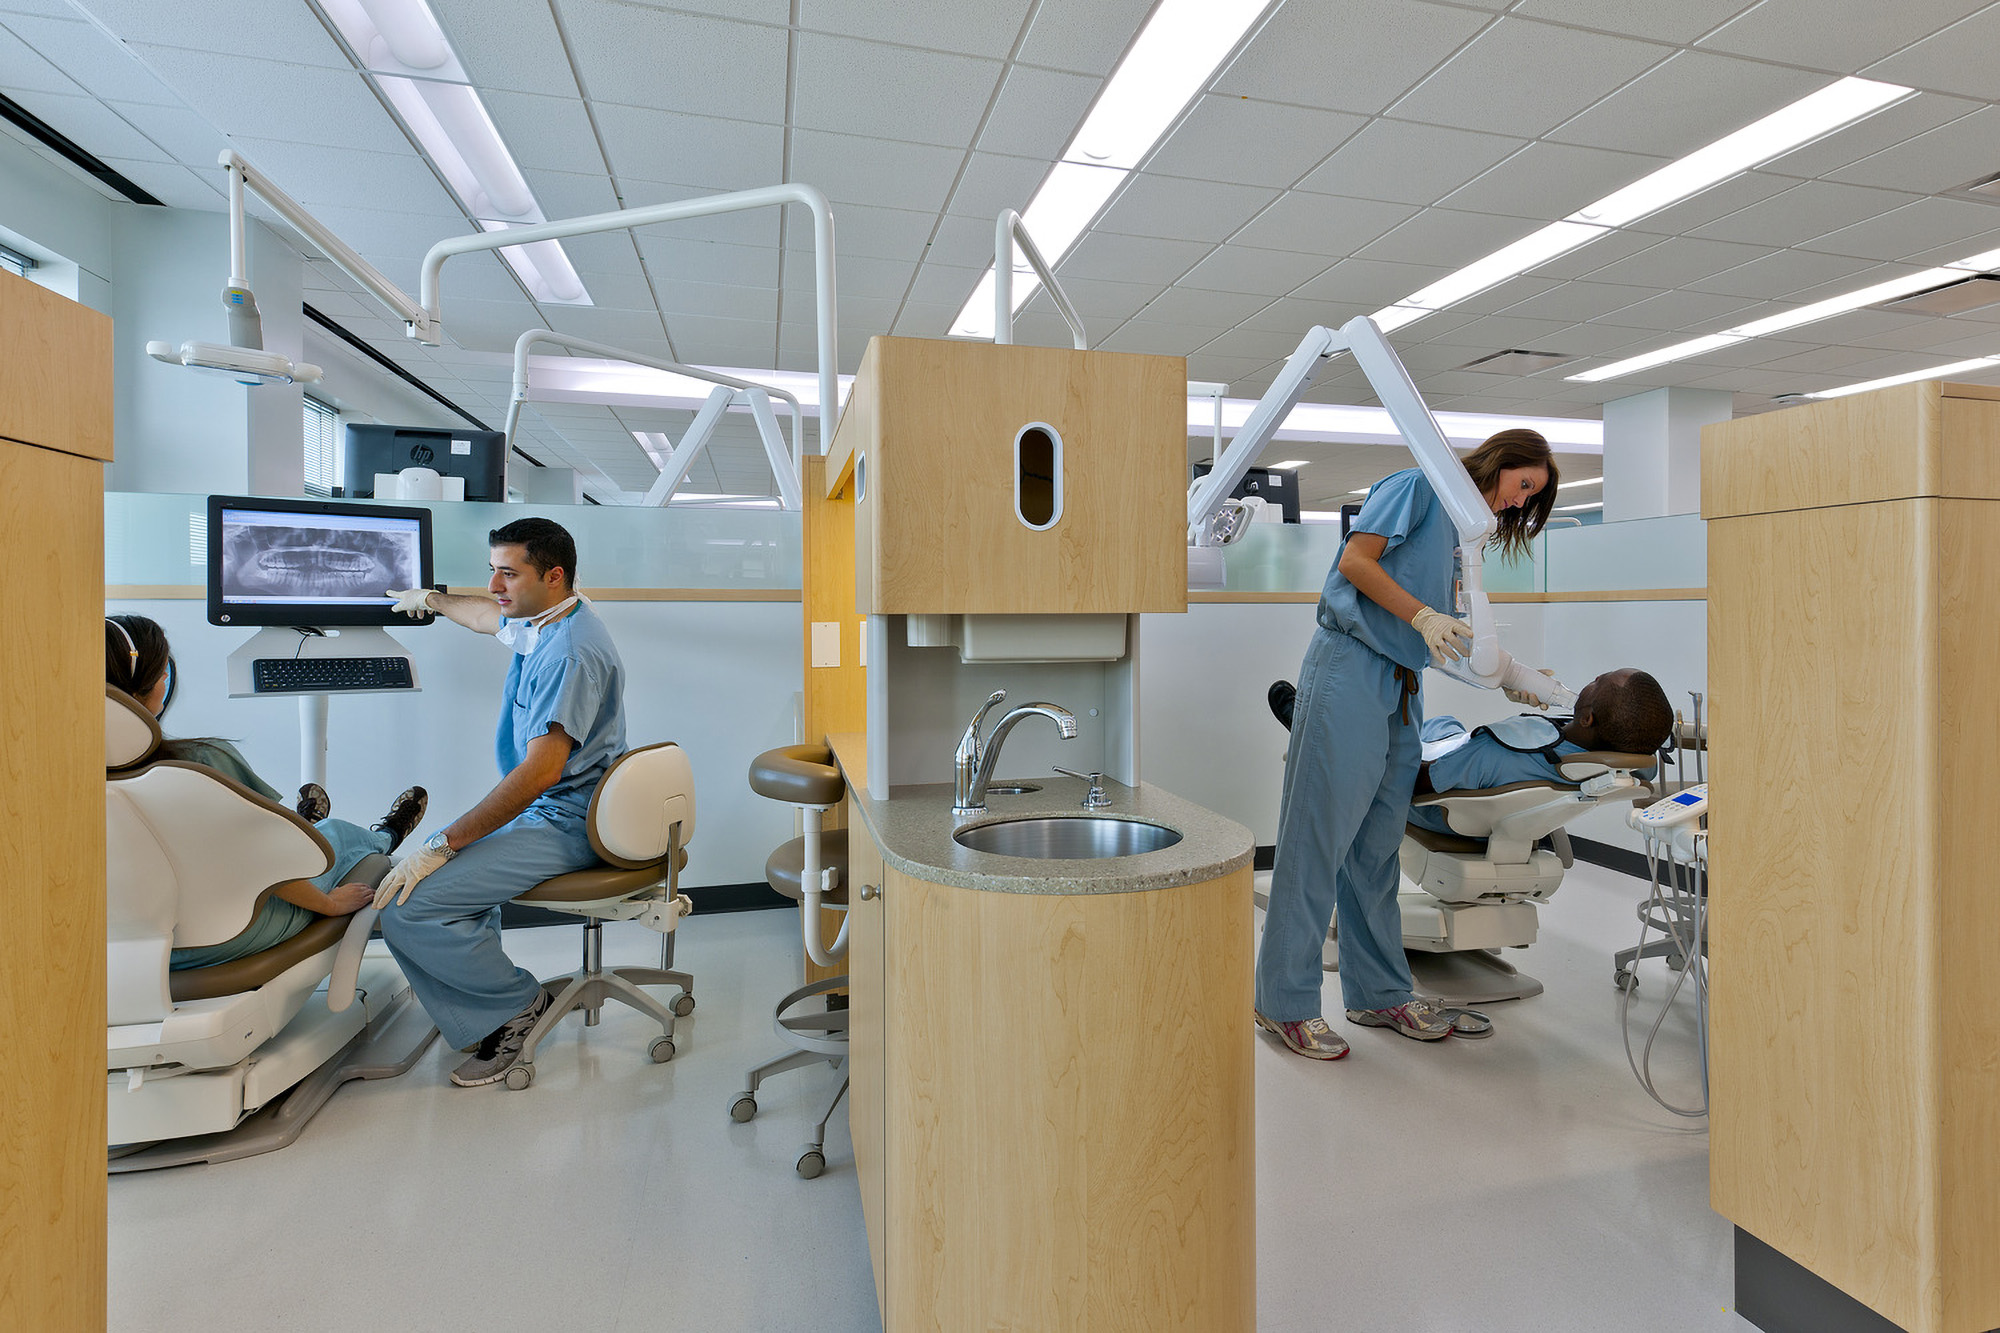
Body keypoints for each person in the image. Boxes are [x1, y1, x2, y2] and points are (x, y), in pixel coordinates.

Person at [1255, 429, 1558, 1060]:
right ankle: (1283, 1003)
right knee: (1316, 843)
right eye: (1524, 485)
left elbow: (1448, 636)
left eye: (1532, 499)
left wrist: (1515, 678)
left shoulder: (1459, 531)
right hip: (1350, 667)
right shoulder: (1418, 486)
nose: (1519, 503)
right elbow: (1355, 564)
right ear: (1501, 462)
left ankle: (1379, 992)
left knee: (1375, 851)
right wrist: (1422, 615)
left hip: (1402, 685)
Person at [379, 517, 626, 1087]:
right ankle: (488, 1010)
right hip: (556, 807)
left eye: (507, 573)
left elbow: (539, 773)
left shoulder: (568, 653)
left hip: (569, 819)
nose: (494, 585)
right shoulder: (550, 617)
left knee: (408, 907)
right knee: (431, 891)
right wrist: (434, 600)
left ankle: (517, 1008)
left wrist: (444, 842)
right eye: (492, 570)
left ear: (554, 576)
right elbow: (489, 619)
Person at [104, 614, 426, 970]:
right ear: (152, 684)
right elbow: (264, 863)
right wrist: (330, 905)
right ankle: (384, 836)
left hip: (118, 946)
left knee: (294, 837)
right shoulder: (201, 763)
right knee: (334, 835)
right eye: (165, 672)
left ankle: (298, 824)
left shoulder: (59, 783)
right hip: (226, 936)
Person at [1267, 668, 1674, 833]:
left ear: (1587, 720)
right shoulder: (1622, 762)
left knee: (1379, 742)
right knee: (1445, 725)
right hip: (1489, 793)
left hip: (1441, 807)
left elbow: (1415, 781)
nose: (1588, 680)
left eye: (1596, 682)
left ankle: (1315, 730)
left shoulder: (1505, 750)